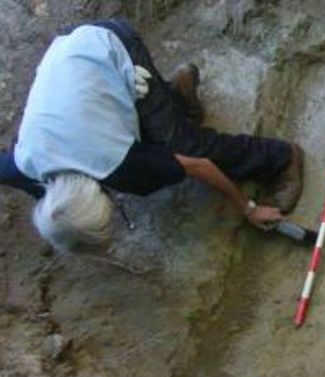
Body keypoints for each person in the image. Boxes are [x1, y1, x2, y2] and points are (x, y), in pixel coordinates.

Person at [0, 20, 303, 253]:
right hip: (71, 55)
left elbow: (198, 165)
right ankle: (175, 98)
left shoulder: (118, 165)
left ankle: (280, 158)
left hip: (109, 43)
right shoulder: (23, 164)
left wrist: (247, 208)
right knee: (157, 134)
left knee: (185, 145)